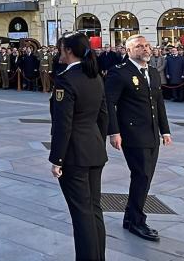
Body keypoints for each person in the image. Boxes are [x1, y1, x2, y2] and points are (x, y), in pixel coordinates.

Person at [105, 35, 171, 242]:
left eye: (147, 46)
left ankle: (131, 217)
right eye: (140, 46)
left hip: (151, 133)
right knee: (141, 175)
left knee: (146, 177)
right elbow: (109, 103)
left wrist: (165, 130)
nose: (146, 49)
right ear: (128, 50)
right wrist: (114, 132)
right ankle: (136, 221)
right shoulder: (120, 72)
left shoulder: (151, 71)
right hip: (132, 134)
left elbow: (158, 103)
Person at [49, 32, 107, 261]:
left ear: (69, 51)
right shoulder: (95, 76)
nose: (59, 52)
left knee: (81, 214)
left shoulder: (66, 79)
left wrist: (57, 159)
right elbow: (103, 116)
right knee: (94, 210)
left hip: (74, 155)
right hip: (93, 149)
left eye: (61, 48)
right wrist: (97, 143)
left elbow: (64, 125)